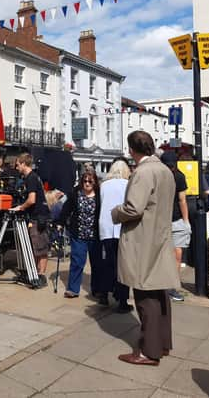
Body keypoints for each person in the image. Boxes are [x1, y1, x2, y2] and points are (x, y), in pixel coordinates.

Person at [113, 131, 179, 366]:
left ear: (132, 149)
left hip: (143, 240)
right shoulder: (164, 171)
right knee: (160, 294)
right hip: (160, 237)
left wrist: (115, 212)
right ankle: (162, 344)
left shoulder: (142, 172)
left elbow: (133, 208)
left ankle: (148, 352)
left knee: (145, 295)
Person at [58, 170, 101, 299]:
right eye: (84, 181)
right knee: (77, 261)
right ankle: (73, 289)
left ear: (95, 183)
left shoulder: (100, 195)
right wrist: (60, 222)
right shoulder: (75, 194)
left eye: (90, 181)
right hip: (78, 234)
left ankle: (97, 289)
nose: (87, 184)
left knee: (97, 263)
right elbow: (66, 209)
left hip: (95, 235)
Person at [99, 160, 133, 313]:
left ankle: (104, 294)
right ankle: (122, 300)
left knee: (107, 263)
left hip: (105, 227)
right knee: (123, 265)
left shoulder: (104, 185)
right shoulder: (127, 184)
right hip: (121, 227)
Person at [13, 152, 50, 287]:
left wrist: (20, 207)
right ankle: (34, 273)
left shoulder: (31, 178)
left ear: (23, 164)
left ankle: (41, 276)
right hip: (38, 216)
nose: (16, 167)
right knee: (35, 247)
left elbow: (32, 199)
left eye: (17, 164)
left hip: (38, 217)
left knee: (40, 248)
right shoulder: (33, 177)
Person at [160, 151, 191, 302]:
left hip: (162, 221)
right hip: (175, 220)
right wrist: (186, 221)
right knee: (176, 256)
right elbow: (182, 200)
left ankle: (167, 287)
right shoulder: (179, 175)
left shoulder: (158, 176)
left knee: (169, 255)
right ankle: (171, 288)